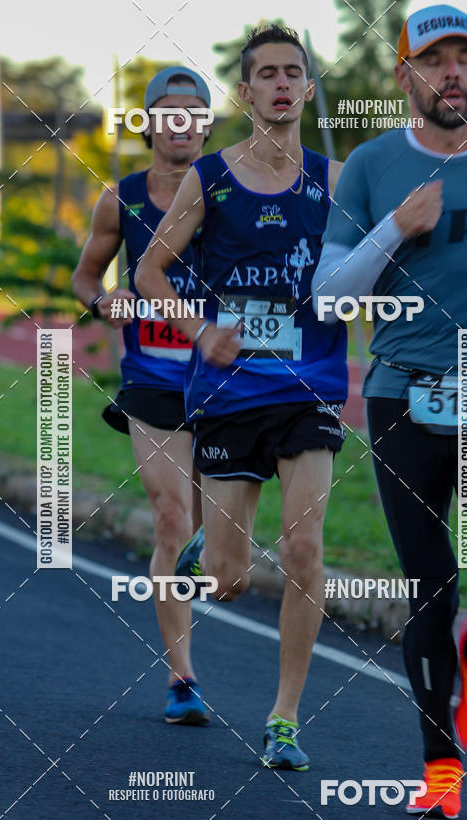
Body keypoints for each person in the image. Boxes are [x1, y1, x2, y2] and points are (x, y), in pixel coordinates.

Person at [313, 4, 467, 817]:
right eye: (434, 59)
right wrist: (395, 226)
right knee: (432, 585)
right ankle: (440, 767)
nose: (451, 71)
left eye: (465, 57)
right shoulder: (371, 165)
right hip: (402, 398)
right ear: (405, 76)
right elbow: (327, 296)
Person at [136, 24, 347, 770]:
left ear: (308, 88)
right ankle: (207, 549)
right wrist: (200, 331)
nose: (282, 83)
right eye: (268, 73)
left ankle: (284, 717)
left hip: (310, 389)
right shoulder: (211, 179)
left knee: (304, 547)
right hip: (229, 392)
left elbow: (373, 266)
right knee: (228, 580)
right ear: (246, 91)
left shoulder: (336, 180)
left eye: (294, 72)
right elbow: (149, 273)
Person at [72, 67, 212, 726]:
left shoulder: (231, 190)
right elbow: (85, 275)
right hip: (152, 379)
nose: (181, 123)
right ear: (150, 123)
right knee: (170, 518)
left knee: (214, 542)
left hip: (224, 379)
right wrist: (103, 300)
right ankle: (182, 679)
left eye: (193, 112)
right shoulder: (121, 200)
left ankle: (208, 560)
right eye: (169, 112)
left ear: (206, 125)